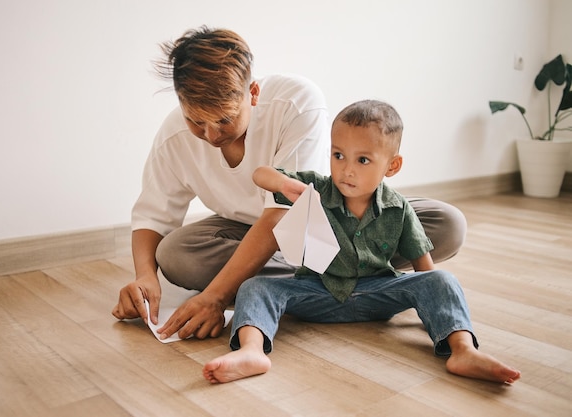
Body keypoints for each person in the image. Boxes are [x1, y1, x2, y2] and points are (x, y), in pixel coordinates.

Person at [111, 26, 468, 343]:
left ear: (252, 92)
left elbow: (283, 211)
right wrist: (145, 277)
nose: (210, 134)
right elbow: (152, 216)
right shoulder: (173, 137)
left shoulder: (296, 101)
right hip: (242, 231)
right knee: (174, 253)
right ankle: (342, 279)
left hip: (321, 220)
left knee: (447, 223)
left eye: (224, 119)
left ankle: (304, 283)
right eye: (196, 121)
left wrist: (216, 297)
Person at [203, 100, 521, 385]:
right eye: (338, 155)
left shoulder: (398, 208)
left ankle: (463, 351)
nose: (347, 170)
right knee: (255, 287)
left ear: (392, 166)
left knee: (442, 279)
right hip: (319, 291)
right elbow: (261, 173)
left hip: (379, 293)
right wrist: (284, 183)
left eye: (363, 160)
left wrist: (435, 307)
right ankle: (251, 351)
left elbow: (425, 272)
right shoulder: (316, 188)